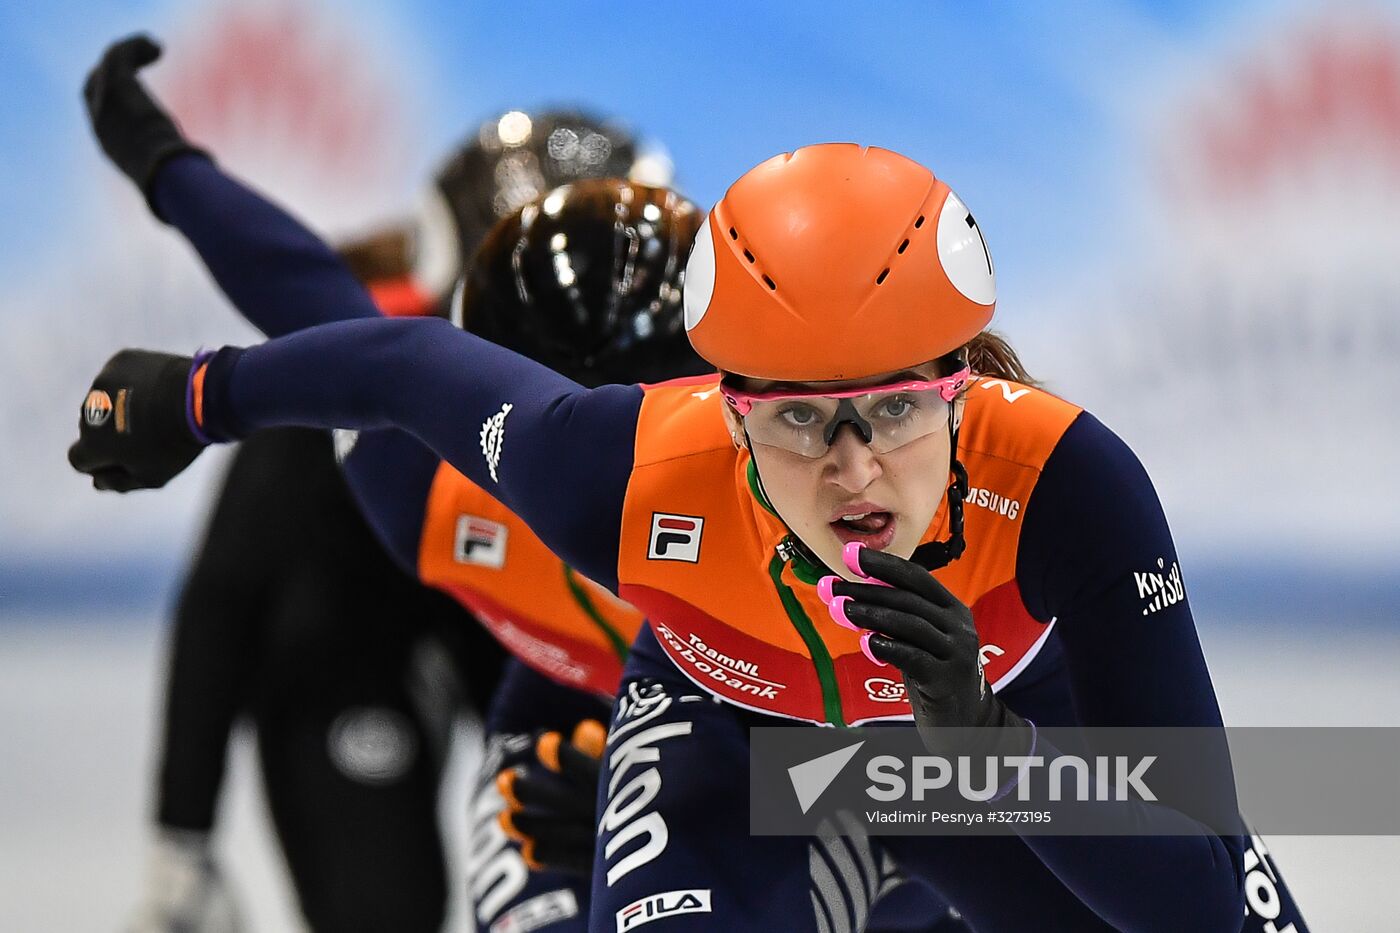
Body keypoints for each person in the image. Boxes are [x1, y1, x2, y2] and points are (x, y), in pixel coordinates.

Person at [73, 39, 1309, 933]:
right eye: (791, 418)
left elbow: (1199, 887)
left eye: (890, 406)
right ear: (714, 406)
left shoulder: (1057, 485)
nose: (849, 467)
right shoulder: (597, 469)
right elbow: (376, 352)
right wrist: (191, 347)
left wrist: (987, 750)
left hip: (919, 755)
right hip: (717, 723)